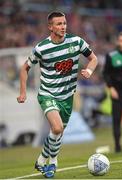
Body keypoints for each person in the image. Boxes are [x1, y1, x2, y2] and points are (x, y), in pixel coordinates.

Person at [17, 12, 98, 178]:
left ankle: (41, 161)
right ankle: (53, 163)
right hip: (48, 94)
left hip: (67, 96)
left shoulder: (76, 42)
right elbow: (25, 68)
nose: (63, 27)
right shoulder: (41, 48)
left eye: (64, 23)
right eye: (59, 24)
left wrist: (89, 70)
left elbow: (94, 58)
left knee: (57, 133)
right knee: (57, 128)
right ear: (50, 27)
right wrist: (23, 92)